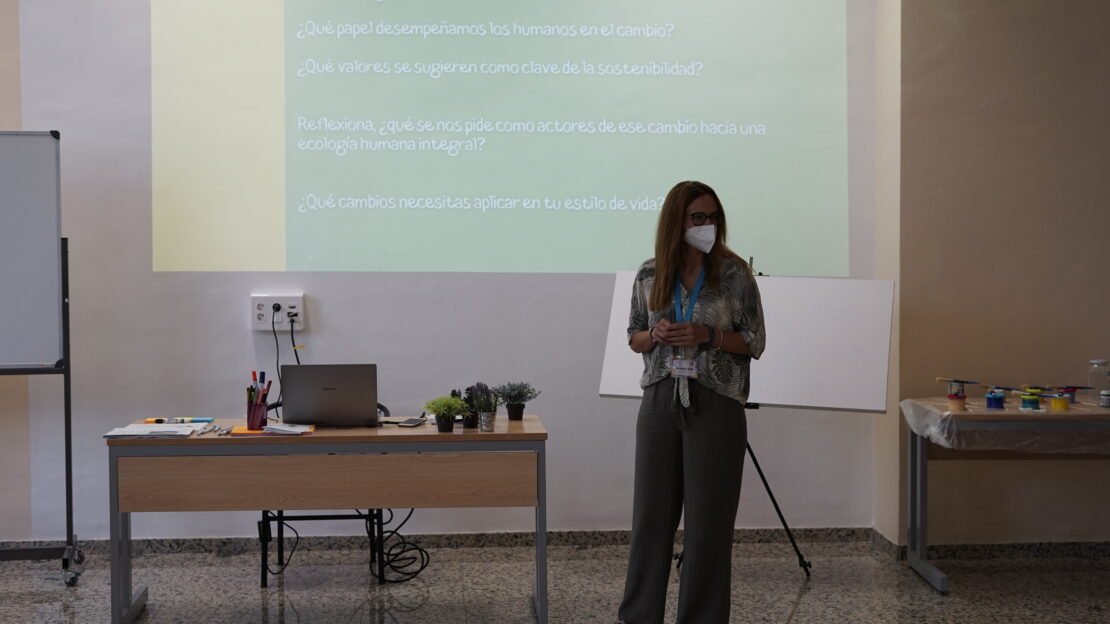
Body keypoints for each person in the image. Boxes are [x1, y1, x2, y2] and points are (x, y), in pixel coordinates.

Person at [618, 180, 766, 624]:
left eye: (712, 217)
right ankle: (640, 615)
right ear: (676, 222)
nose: (707, 225)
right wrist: (655, 334)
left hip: (716, 401)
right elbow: (634, 337)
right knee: (650, 520)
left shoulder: (736, 274)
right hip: (661, 399)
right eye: (697, 218)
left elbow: (755, 341)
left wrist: (710, 335)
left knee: (708, 527)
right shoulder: (649, 273)